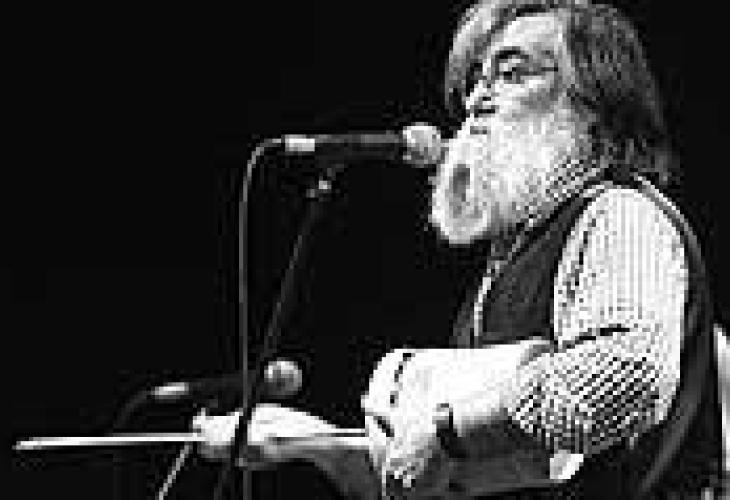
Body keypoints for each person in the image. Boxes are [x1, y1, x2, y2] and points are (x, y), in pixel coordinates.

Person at [195, 1, 724, 498]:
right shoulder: (512, 260)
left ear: (593, 104)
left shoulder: (618, 215)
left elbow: (627, 375)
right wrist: (311, 443)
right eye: (475, 80)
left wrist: (449, 429)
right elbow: (458, 475)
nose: (476, 100)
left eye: (512, 74)